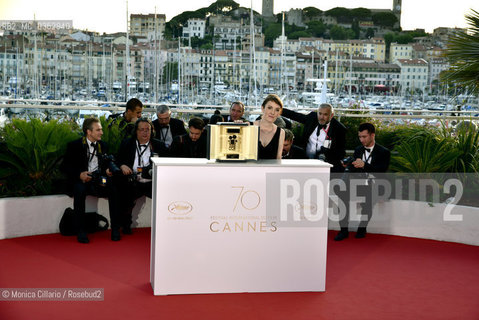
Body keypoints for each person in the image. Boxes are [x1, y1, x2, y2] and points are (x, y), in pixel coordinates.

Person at [62, 118, 121, 243]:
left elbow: (104, 164)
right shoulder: (74, 145)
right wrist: (79, 175)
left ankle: (115, 228)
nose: (102, 132)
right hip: (83, 181)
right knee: (79, 190)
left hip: (99, 181)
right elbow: (64, 167)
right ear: (89, 132)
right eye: (98, 130)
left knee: (113, 188)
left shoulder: (103, 145)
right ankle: (81, 231)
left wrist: (107, 171)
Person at [335, 123, 391, 241]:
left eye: (364, 137)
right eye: (360, 137)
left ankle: (362, 228)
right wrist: (349, 165)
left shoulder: (384, 152)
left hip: (375, 184)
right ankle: (343, 230)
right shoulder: (358, 149)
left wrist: (365, 165)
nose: (361, 140)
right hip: (358, 182)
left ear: (372, 135)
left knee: (369, 199)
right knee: (342, 195)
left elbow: (381, 171)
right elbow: (356, 170)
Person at [116, 118, 168, 234]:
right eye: (142, 130)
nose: (145, 133)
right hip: (133, 181)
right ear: (136, 132)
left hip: (153, 182)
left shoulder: (159, 145)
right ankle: (125, 225)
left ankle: (164, 226)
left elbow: (166, 164)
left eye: (148, 130)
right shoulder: (127, 143)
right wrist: (122, 165)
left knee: (165, 198)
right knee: (124, 196)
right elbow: (117, 160)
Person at [281, 103, 346, 172]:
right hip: (305, 160)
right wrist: (279, 110)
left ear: (331, 115)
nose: (321, 117)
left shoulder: (339, 128)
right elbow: (295, 115)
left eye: (325, 114)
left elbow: (341, 152)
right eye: (320, 113)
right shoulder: (312, 117)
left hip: (326, 163)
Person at [254, 94, 285, 160]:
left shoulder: (281, 132)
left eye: (277, 110)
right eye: (269, 108)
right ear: (262, 108)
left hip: (271, 170)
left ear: (279, 113)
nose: (272, 112)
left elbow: (278, 159)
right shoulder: (249, 127)